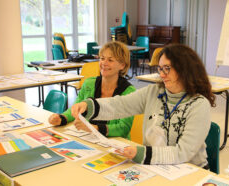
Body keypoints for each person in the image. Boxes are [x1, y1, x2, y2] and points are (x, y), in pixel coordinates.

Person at [71, 43, 216, 168]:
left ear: (184, 69)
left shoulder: (198, 105)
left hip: (189, 171)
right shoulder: (154, 92)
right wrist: (89, 106)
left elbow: (183, 152)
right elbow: (120, 105)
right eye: (160, 69)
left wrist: (140, 153)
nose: (162, 74)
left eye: (167, 68)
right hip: (156, 166)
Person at [48, 41, 136, 139]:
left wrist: (94, 128)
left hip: (116, 144)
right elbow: (75, 109)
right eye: (102, 58)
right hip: (90, 139)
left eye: (110, 60)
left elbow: (123, 128)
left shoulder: (129, 92)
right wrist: (62, 118)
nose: (104, 63)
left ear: (122, 65)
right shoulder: (89, 84)